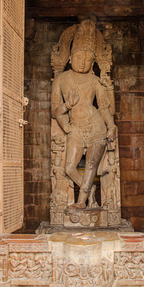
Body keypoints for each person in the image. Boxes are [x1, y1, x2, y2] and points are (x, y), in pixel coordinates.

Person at [51, 19, 116, 210]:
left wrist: (111, 126)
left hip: (97, 127)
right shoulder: (61, 79)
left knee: (91, 165)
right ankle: (89, 188)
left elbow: (104, 108)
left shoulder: (95, 81)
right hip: (75, 128)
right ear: (70, 58)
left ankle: (81, 201)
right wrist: (66, 112)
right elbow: (55, 111)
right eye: (79, 56)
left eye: (88, 58)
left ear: (93, 61)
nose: (83, 61)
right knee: (69, 168)